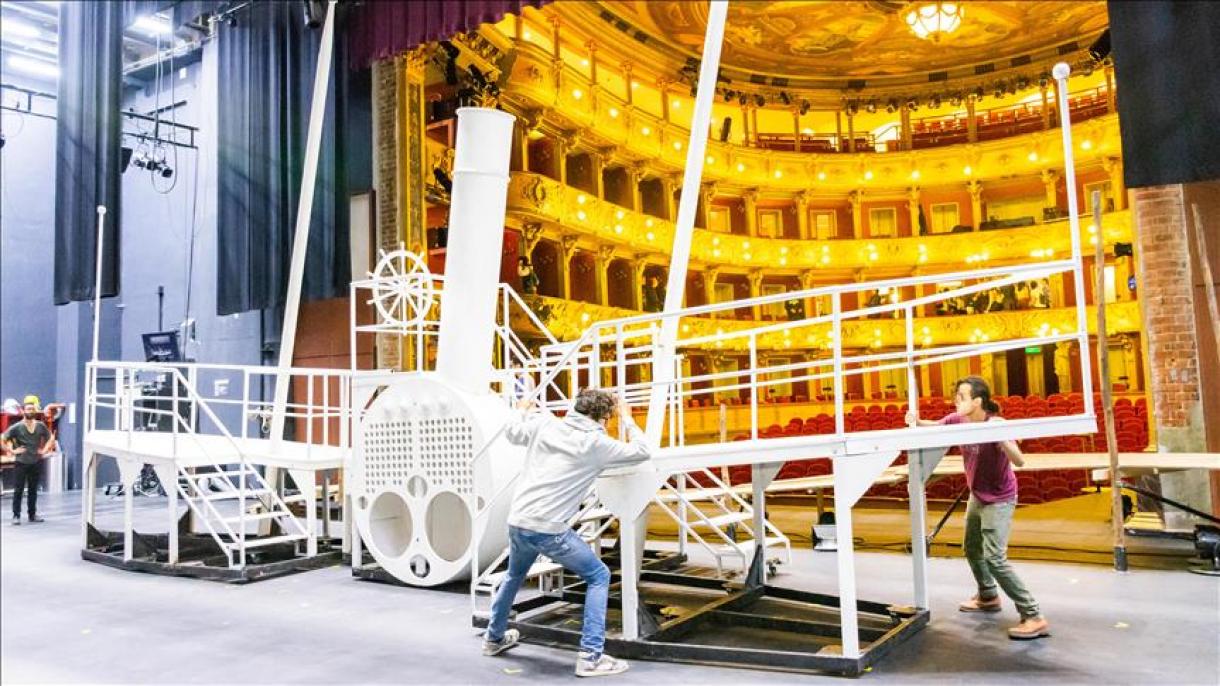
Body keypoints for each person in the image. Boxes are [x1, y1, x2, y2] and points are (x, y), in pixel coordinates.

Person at [482, 388, 652, 677]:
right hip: (548, 529)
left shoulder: (545, 424)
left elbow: (512, 431)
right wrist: (629, 419)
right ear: (604, 418)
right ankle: (590, 657)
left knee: (514, 574)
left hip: (519, 520)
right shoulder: (596, 443)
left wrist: (522, 407)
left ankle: (493, 638)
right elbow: (642, 451)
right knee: (599, 576)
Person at [906, 376, 1050, 640]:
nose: (955, 401)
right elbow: (935, 427)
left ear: (977, 401)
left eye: (961, 396)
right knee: (971, 548)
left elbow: (1019, 461)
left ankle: (1033, 615)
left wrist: (1002, 439)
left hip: (1000, 498)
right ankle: (988, 595)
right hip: (977, 495)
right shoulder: (956, 420)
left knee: (995, 558)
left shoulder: (995, 424)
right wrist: (915, 420)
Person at [2, 399, 56, 525]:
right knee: (18, 490)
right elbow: (2, 439)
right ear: (23, 411)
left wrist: (44, 450)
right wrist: (12, 451)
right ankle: (16, 516)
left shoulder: (40, 425)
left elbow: (51, 438)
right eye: (28, 409)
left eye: (32, 409)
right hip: (21, 463)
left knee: (33, 490)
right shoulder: (17, 427)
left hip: (35, 462)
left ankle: (32, 514)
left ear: (35, 411)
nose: (30, 411)